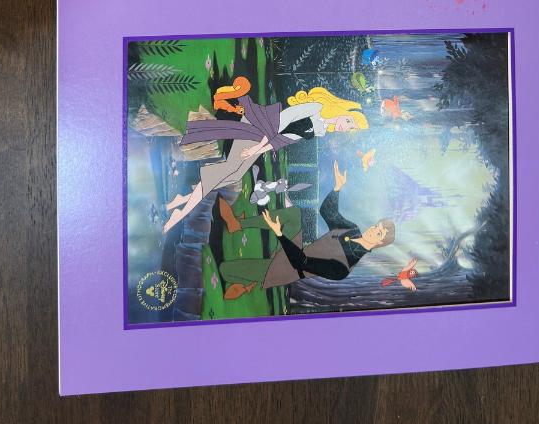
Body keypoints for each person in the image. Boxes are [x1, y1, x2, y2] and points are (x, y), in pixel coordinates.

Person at [162, 88, 367, 232]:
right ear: (342, 110)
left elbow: (285, 138)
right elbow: (282, 121)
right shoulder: (315, 107)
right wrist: (258, 146)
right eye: (349, 121)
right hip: (259, 126)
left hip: (262, 140)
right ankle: (180, 213)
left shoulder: (320, 129)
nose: (345, 127)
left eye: (351, 127)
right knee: (229, 171)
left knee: (233, 174)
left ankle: (182, 200)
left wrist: (260, 149)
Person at [216, 160, 395, 300]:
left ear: (379, 243)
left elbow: (301, 262)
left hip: (287, 268)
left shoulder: (344, 268)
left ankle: (247, 285)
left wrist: (279, 234)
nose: (373, 230)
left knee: (224, 270)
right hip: (294, 248)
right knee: (295, 214)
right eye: (376, 226)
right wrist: (337, 188)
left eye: (378, 233)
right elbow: (328, 212)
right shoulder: (352, 229)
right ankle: (237, 225)